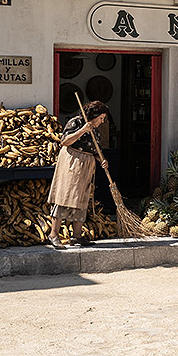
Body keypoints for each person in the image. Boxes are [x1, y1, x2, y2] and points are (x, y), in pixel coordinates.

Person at [47, 101, 110, 249]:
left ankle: (77, 236)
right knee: (64, 196)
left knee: (81, 199)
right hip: (71, 163)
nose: (102, 122)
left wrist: (103, 160)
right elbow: (65, 141)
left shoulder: (95, 131)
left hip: (86, 166)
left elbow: (96, 151)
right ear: (93, 116)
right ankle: (53, 234)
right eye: (101, 118)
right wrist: (82, 130)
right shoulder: (76, 122)